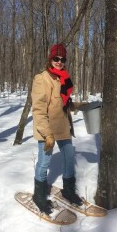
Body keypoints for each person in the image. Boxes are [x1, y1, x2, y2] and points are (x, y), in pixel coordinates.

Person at [31, 43, 85, 215]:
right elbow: (39, 109)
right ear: (50, 59)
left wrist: (80, 106)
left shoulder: (63, 78)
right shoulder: (42, 78)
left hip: (62, 127)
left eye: (62, 59)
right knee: (44, 162)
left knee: (69, 158)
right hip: (46, 129)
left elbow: (63, 104)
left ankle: (68, 191)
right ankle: (39, 196)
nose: (59, 62)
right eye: (56, 58)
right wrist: (47, 135)